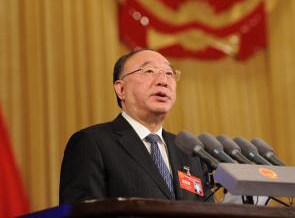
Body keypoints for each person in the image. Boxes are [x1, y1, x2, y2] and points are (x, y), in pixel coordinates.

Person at [59, 49, 208, 203]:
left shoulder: (190, 152)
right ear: (121, 89)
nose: (163, 81)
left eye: (169, 73)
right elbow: (82, 212)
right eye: (149, 71)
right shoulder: (92, 143)